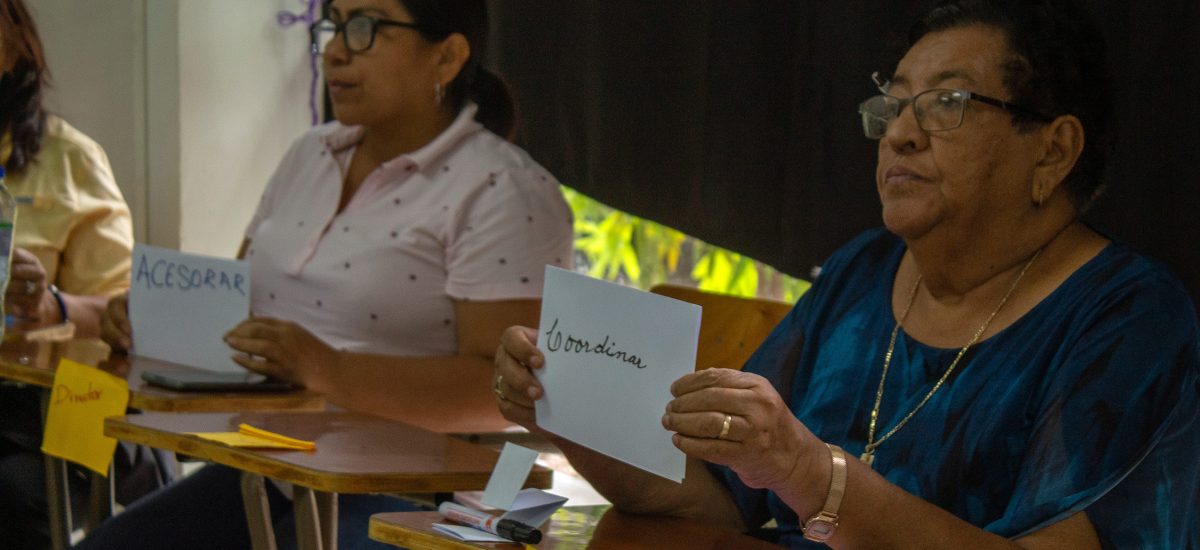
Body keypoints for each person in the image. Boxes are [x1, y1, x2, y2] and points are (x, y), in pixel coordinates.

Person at [492, 0, 1199, 548]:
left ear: (1053, 150)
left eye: (946, 104)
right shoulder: (867, 271)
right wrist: (565, 410)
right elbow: (722, 500)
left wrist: (811, 475)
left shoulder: (1129, 320)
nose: (900, 133)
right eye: (893, 105)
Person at [86, 0, 573, 549]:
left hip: (444, 494)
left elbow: (505, 393)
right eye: (334, 25)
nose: (336, 50)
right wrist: (153, 318)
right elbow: (242, 308)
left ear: (447, 55)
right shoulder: (309, 154)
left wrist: (330, 370)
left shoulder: (502, 190)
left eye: (365, 28)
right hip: (280, 465)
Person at [0, 1, 156, 548]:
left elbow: (124, 315)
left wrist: (49, 306)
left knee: (14, 492)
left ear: (16, 46)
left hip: (35, 408)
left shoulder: (69, 160)